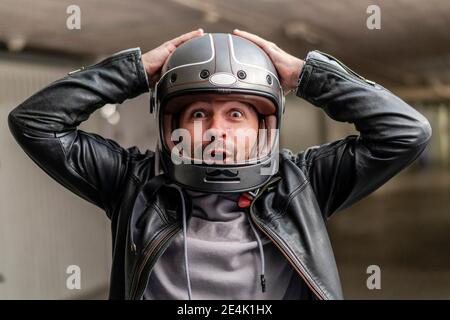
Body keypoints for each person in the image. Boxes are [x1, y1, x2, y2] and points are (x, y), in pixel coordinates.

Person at [8, 29, 432, 300]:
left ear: (265, 125)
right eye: (198, 115)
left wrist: (306, 76)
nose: (216, 131)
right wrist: (135, 71)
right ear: (170, 123)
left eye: (235, 114)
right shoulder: (131, 183)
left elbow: (406, 132)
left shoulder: (303, 183)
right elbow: (35, 123)